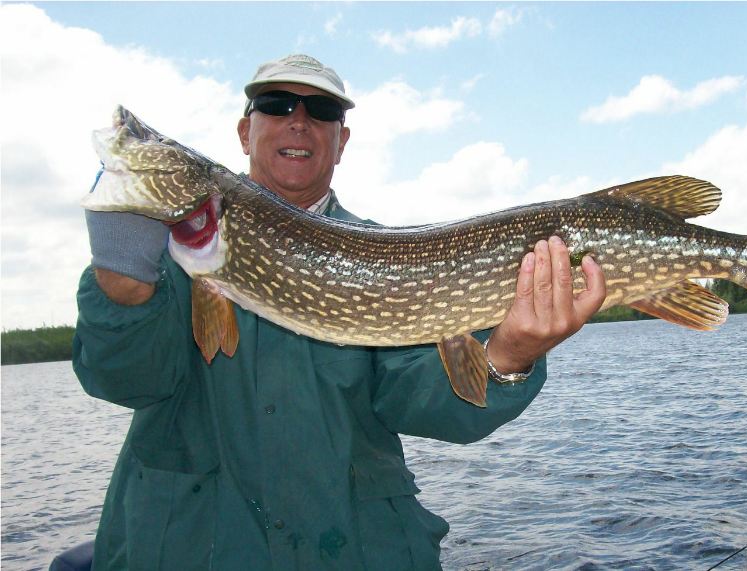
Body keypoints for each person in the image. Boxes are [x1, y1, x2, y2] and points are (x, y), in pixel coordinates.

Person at [73, 54, 606, 570]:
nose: (298, 122)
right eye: (277, 105)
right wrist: (124, 289)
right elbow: (123, 382)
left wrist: (509, 355)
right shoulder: (155, 256)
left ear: (341, 140)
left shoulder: (386, 255)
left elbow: (423, 400)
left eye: (322, 112)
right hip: (190, 546)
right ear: (244, 133)